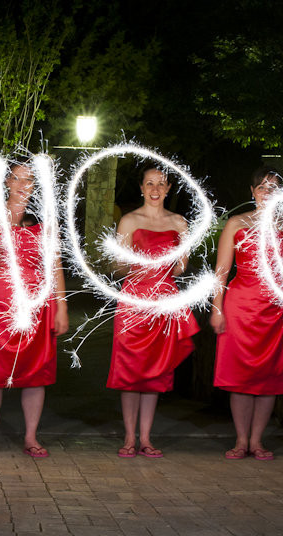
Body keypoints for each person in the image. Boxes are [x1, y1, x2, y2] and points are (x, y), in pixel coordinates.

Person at [211, 167, 283, 461]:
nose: (267, 192)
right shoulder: (236, 223)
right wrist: (217, 309)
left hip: (277, 309)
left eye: (274, 187)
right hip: (242, 306)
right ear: (252, 192)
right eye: (262, 187)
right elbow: (222, 271)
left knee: (270, 377)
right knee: (241, 375)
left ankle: (257, 441)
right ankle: (241, 441)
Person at [0, 163, 68, 459]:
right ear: (7, 182)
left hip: (38, 303)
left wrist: (62, 306)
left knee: (35, 370)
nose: (23, 183)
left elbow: (55, 266)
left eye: (29, 179)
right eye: (17, 178)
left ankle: (30, 437)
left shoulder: (46, 222)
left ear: (35, 185)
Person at [106, 166, 200, 458]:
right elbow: (116, 267)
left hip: (164, 302)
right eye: (150, 184)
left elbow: (182, 267)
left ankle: (145, 438)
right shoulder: (129, 221)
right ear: (141, 188)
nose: (155, 189)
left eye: (161, 184)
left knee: (155, 372)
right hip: (134, 301)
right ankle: (128, 438)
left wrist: (175, 263)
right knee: (131, 370)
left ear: (169, 188)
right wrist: (130, 263)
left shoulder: (179, 222)